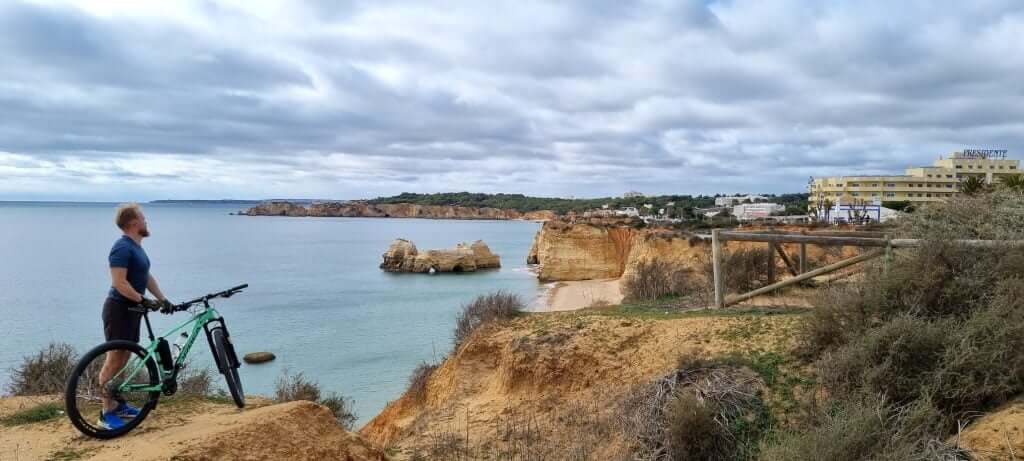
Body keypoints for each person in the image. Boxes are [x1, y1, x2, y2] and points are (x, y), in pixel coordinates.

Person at [97, 203, 172, 430]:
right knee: (113, 360)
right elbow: (119, 282)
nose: (146, 221)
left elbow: (146, 276)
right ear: (133, 223)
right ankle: (105, 412)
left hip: (131, 312)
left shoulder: (136, 248)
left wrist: (162, 298)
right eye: (143, 217)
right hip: (118, 309)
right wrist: (142, 299)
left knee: (124, 359)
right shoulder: (121, 247)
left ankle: (118, 404)